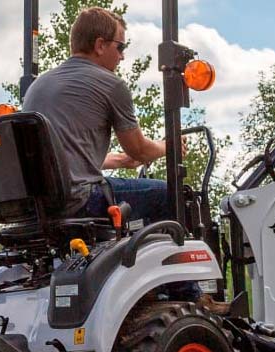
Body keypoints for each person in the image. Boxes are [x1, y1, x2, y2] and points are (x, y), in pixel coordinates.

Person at [21, 6, 178, 226]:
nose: (122, 56)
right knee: (173, 194)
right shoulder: (111, 84)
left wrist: (120, 160)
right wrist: (169, 146)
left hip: (36, 209)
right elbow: (139, 150)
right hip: (81, 202)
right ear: (100, 45)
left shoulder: (39, 85)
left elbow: (59, 158)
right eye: (120, 46)